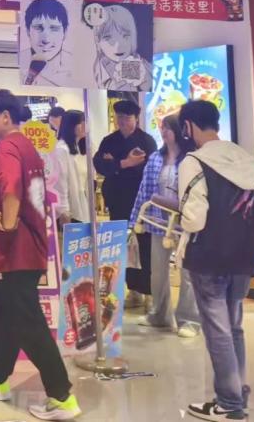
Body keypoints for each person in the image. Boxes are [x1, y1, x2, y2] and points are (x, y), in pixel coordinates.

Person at [0, 89, 80, 421]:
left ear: (5, 117)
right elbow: (16, 189)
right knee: (6, 315)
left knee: (27, 322)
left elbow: (11, 188)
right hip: (24, 249)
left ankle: (61, 396)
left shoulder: (7, 148)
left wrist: (8, 225)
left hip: (15, 251)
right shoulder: (25, 146)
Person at [178, 100, 254, 422]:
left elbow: (195, 219)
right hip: (243, 256)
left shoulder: (194, 162)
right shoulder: (245, 158)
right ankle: (237, 393)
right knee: (234, 327)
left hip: (209, 257)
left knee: (218, 331)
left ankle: (228, 404)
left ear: (188, 126)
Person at [129, 114, 200, 337]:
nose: (163, 132)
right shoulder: (155, 158)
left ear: (178, 130)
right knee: (158, 272)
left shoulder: (191, 158)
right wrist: (135, 220)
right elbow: (144, 190)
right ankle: (159, 315)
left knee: (187, 273)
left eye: (167, 128)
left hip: (186, 223)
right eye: (161, 128)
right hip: (158, 221)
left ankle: (190, 320)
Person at [94, 99, 157, 308]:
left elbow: (150, 169)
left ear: (136, 118)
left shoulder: (147, 141)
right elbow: (100, 164)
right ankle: (133, 290)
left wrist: (115, 164)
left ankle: (149, 291)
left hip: (141, 202)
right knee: (122, 246)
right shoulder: (109, 140)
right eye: (118, 117)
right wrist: (125, 163)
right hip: (117, 201)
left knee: (145, 245)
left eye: (126, 117)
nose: (121, 121)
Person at [92, 5, 153, 92]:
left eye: (125, 36)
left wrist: (145, 81)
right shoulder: (101, 65)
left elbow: (148, 85)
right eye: (108, 38)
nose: (118, 45)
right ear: (98, 40)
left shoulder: (138, 60)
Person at [46, 110, 90, 225]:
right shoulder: (62, 149)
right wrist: (64, 211)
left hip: (81, 206)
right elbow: (61, 182)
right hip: (70, 211)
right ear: (71, 126)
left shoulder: (77, 148)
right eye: (81, 122)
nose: (84, 125)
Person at [22, 0, 74, 87]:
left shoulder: (76, 64)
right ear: (28, 31)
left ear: (65, 32)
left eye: (54, 29)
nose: (46, 40)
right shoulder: (21, 63)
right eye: (38, 28)